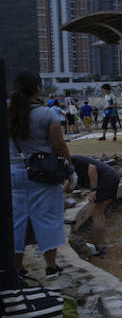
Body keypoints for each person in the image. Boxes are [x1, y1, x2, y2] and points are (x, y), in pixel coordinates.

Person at [8, 70, 72, 277]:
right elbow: (59, 145)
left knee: (15, 221)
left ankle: (17, 267)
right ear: (38, 88)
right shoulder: (47, 114)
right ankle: (51, 266)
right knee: (48, 219)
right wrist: (69, 169)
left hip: (12, 173)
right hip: (42, 174)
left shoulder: (7, 112)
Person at [69, 154, 121, 257]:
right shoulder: (70, 162)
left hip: (106, 180)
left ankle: (100, 246)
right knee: (98, 212)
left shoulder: (71, 160)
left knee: (97, 212)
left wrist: (93, 190)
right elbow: (70, 182)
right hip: (110, 178)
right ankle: (100, 244)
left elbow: (92, 168)